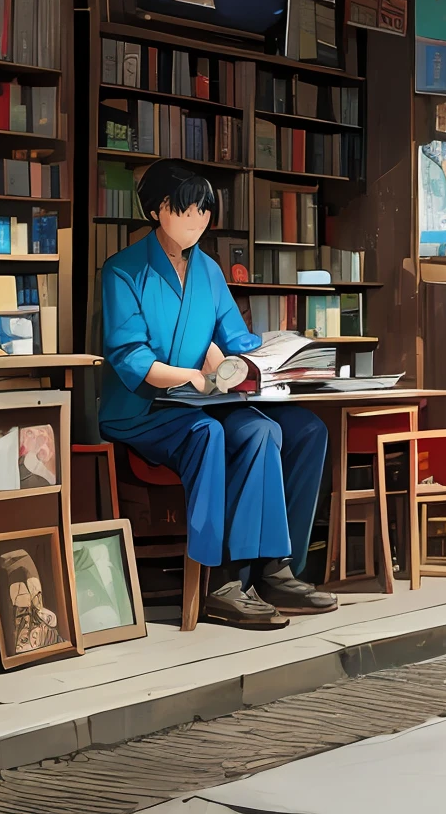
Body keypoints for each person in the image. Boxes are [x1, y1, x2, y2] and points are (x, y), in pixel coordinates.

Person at [98, 160, 340, 629]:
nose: (196, 221)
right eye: (184, 210)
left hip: (204, 400)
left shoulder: (208, 270)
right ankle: (221, 581)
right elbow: (130, 358)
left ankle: (273, 569)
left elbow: (237, 339)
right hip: (144, 408)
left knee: (303, 429)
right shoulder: (123, 271)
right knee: (223, 434)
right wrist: (188, 376)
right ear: (154, 210)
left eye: (203, 212)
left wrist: (284, 354)